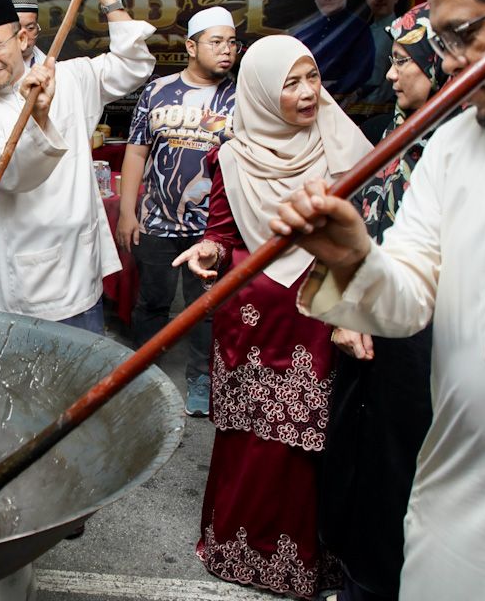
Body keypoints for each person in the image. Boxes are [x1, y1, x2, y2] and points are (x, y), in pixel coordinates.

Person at [275, 0, 485, 600]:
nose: (453, 66)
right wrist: (354, 257)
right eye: (441, 43)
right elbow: (407, 300)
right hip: (457, 496)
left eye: (466, 36)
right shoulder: (453, 146)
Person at [174, 35, 370, 597]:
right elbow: (222, 231)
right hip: (255, 320)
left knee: (319, 438)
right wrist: (211, 251)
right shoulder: (231, 155)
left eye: (312, 77)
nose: (309, 93)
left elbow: (369, 229)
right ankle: (243, 550)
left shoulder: (342, 143)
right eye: (291, 83)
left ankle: (317, 560)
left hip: (325, 310)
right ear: (260, 91)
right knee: (257, 439)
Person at [318, 2, 450, 601]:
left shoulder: (451, 147)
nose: (391, 75)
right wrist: (350, 310)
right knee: (362, 456)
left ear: (438, 61)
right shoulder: (401, 131)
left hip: (424, 340)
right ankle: (360, 576)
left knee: (403, 465)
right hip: (372, 323)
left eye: (403, 61)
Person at [0, 0, 154, 334]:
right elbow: (12, 176)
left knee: (83, 386)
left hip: (83, 265)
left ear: (23, 39)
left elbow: (136, 66)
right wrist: (39, 118)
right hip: (29, 283)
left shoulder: (72, 76)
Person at [116, 6, 238, 417]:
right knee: (151, 303)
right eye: (216, 41)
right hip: (156, 222)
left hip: (213, 229)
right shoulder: (157, 91)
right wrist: (127, 213)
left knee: (205, 308)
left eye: (232, 42)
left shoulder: (241, 97)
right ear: (191, 46)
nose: (227, 50)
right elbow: (136, 151)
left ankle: (200, 379)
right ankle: (144, 373)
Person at [294, 0, 374, 99]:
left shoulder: (358, 28)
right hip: (304, 94)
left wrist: (334, 91)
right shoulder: (305, 29)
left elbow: (361, 70)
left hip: (340, 97)